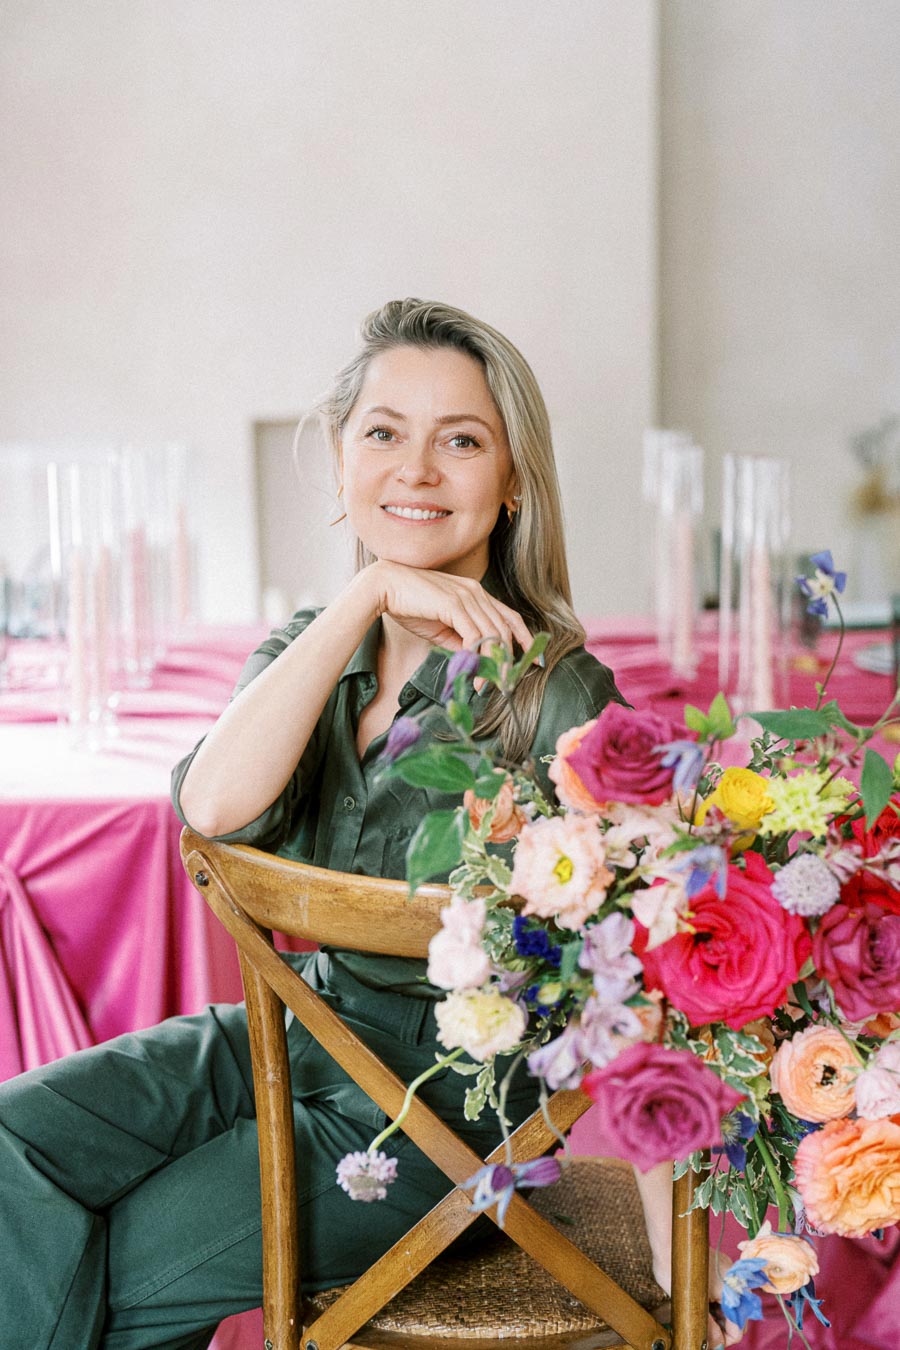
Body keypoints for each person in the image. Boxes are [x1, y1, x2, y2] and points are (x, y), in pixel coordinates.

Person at [0, 298, 740, 1349]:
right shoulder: (315, 650)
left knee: (115, 1274)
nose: (417, 470)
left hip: (438, 1118)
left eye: (463, 441)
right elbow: (211, 807)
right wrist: (366, 600)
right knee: (10, 1148)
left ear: (514, 480)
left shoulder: (555, 699)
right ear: (343, 460)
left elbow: (662, 963)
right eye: (384, 433)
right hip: (297, 1036)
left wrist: (683, 1248)